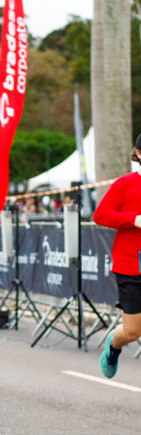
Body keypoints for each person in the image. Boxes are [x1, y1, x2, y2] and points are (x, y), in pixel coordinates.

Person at [95, 135, 141, 378]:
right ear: (139, 154)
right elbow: (100, 215)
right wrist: (133, 219)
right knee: (132, 332)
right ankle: (114, 345)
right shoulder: (125, 184)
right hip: (131, 266)